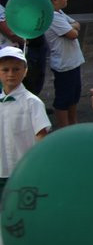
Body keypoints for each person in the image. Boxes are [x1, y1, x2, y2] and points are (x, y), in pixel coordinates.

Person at [0, 46, 49, 192]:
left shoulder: (32, 102)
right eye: (5, 69)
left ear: (25, 71)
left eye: (16, 69)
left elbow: (41, 137)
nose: (11, 74)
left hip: (23, 171)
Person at [1, 0, 48, 95]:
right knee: (29, 78)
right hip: (26, 44)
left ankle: (36, 102)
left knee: (39, 75)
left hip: (37, 40)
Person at [40, 0, 83, 129]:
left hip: (72, 61)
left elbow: (76, 24)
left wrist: (73, 26)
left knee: (74, 96)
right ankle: (64, 128)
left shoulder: (59, 13)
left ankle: (73, 123)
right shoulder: (53, 17)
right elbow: (73, 34)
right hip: (64, 64)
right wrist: (73, 27)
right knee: (64, 98)